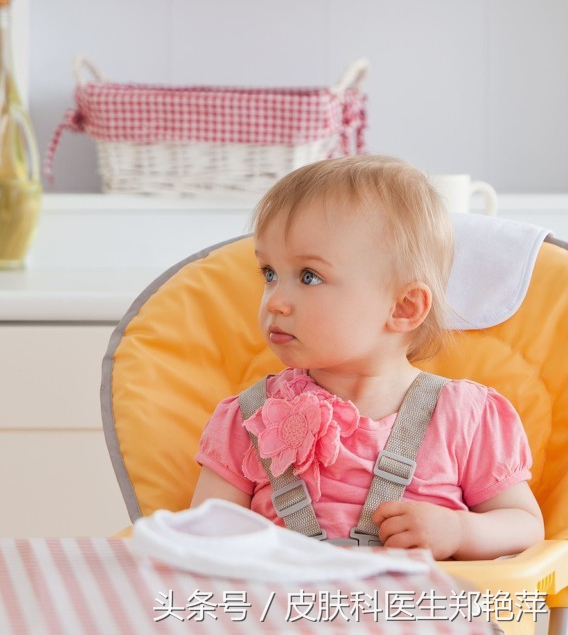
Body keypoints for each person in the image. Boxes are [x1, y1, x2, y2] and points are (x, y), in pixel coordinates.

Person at [191, 156, 543, 560]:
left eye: (309, 276)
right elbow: (200, 539)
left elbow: (525, 525)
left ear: (404, 307)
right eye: (269, 273)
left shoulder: (466, 417)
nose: (276, 301)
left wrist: (460, 531)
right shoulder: (248, 419)